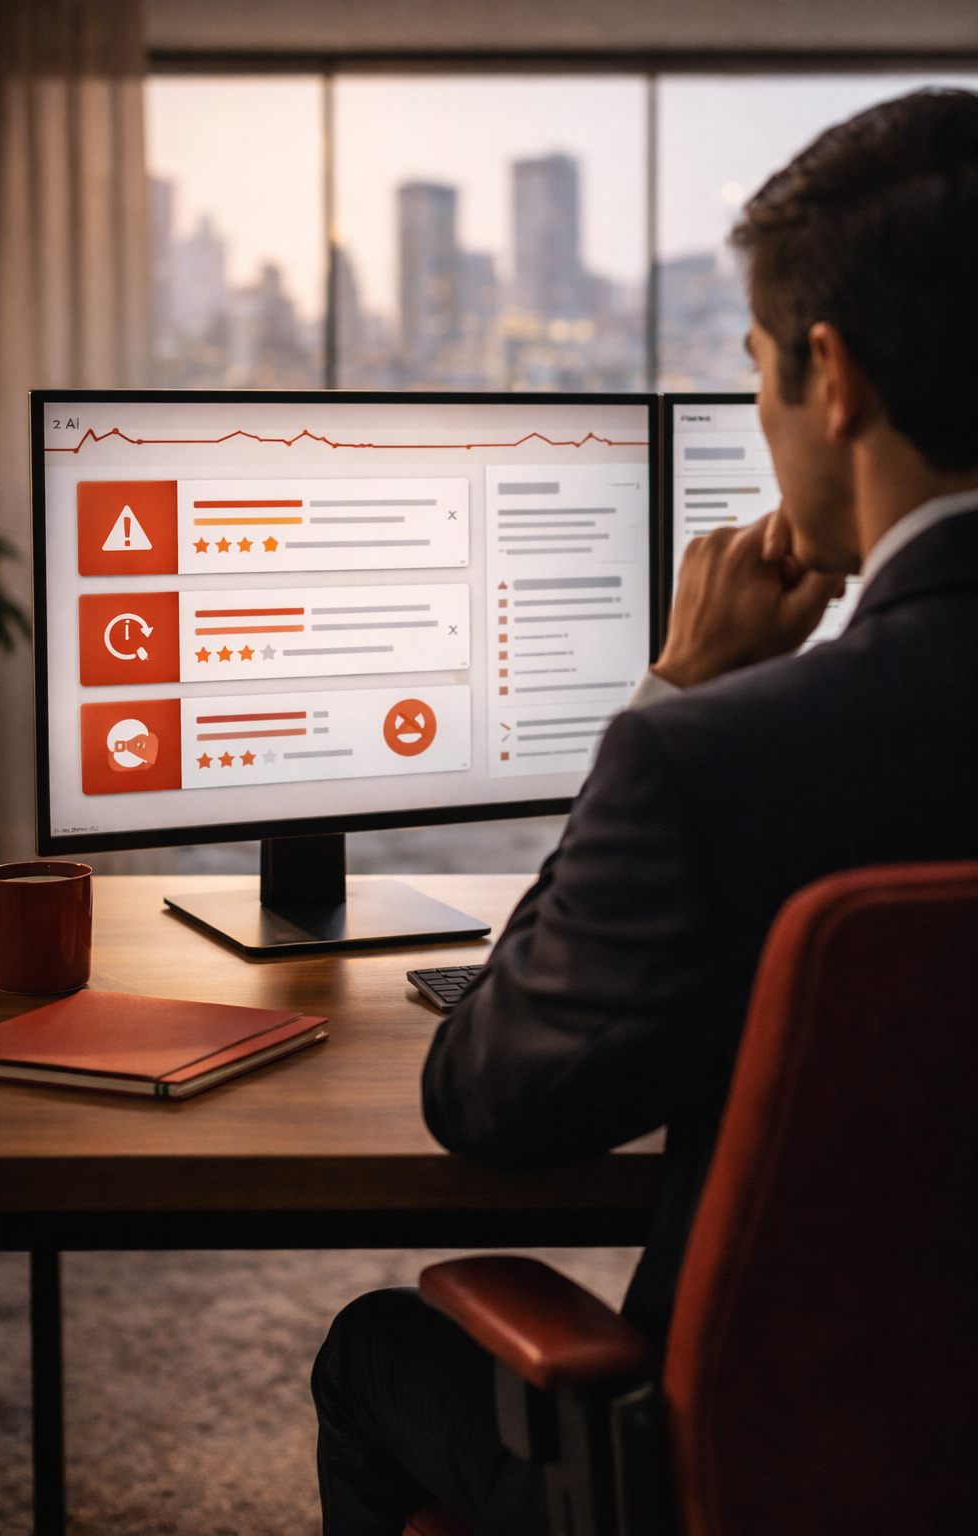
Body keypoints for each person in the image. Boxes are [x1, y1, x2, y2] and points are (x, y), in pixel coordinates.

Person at [312, 88, 978, 1536]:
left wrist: (677, 692)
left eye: (756, 371)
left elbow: (488, 1102)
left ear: (833, 377)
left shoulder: (723, 764)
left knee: (371, 1351)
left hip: (756, 1483)